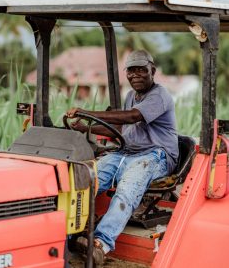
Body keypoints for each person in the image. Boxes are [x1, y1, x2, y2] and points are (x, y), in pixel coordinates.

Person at [66, 50, 179, 265]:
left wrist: (87, 113)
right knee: (84, 180)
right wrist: (84, 127)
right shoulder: (130, 96)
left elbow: (133, 116)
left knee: (127, 190)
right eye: (131, 70)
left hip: (156, 155)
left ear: (152, 71)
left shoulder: (159, 95)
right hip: (126, 152)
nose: (135, 75)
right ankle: (72, 233)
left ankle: (100, 243)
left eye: (141, 70)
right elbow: (118, 126)